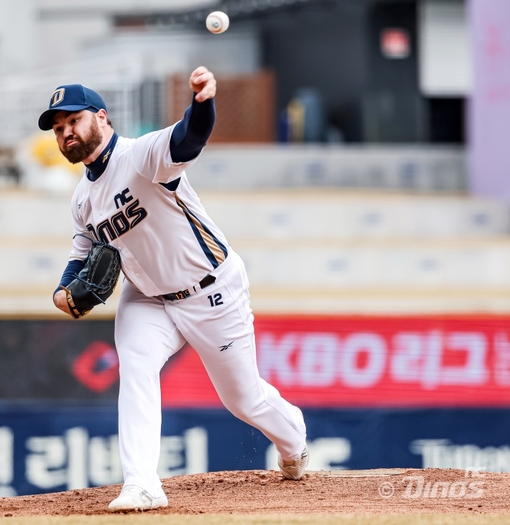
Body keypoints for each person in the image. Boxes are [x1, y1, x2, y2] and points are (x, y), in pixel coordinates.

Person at [38, 67, 308, 512]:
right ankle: (142, 484)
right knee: (136, 367)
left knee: (242, 399)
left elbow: (188, 139)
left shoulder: (141, 156)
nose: (66, 131)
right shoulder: (82, 199)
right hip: (148, 299)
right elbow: (80, 252)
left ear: (101, 117)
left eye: (74, 120)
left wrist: (202, 102)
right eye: (58, 127)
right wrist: (62, 293)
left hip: (210, 289)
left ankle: (293, 438)